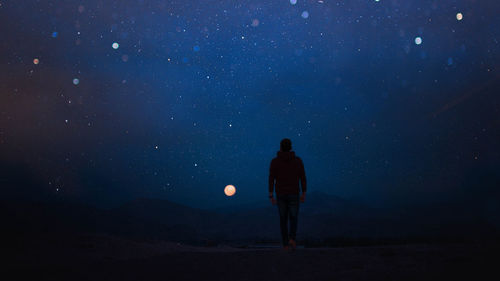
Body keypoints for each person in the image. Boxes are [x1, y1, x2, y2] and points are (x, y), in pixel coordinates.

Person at [268, 138, 307, 251]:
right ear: (290, 147)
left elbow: (271, 178)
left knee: (283, 219)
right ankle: (292, 239)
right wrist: (304, 192)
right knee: (293, 218)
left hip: (281, 194)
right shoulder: (298, 161)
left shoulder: (275, 162)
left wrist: (271, 194)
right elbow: (302, 177)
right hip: (294, 193)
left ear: (280, 147)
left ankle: (285, 244)